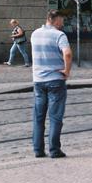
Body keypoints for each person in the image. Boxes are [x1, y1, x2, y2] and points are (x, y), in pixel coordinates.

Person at [30, 9, 73, 159]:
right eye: (61, 20)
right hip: (55, 79)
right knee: (55, 117)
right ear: (54, 20)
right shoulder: (59, 35)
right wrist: (67, 71)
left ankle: (38, 150)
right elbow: (67, 53)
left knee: (39, 117)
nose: (63, 23)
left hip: (38, 80)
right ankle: (54, 150)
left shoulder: (34, 34)